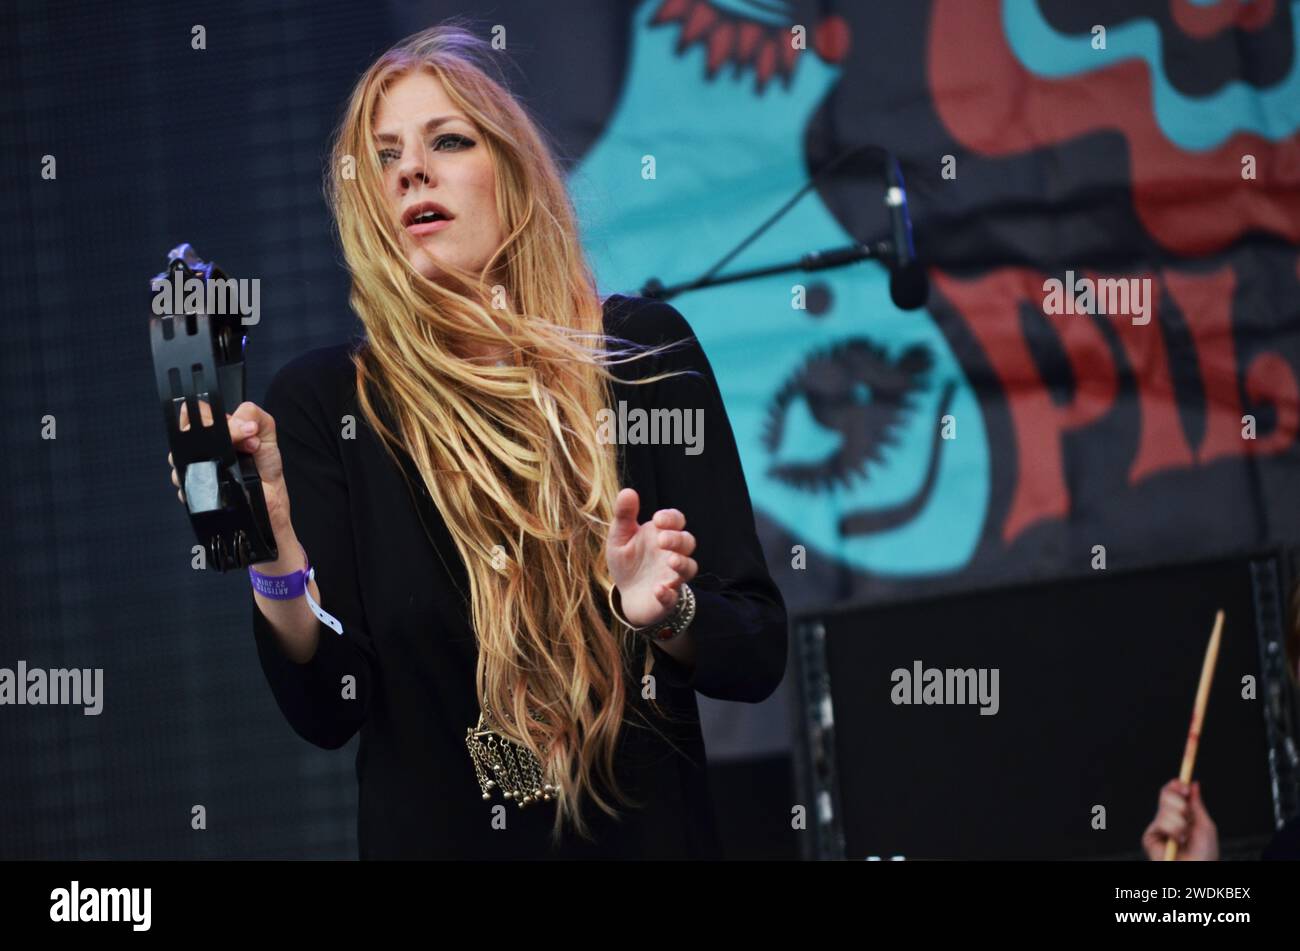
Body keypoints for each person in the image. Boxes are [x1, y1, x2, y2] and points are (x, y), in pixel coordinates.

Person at [165, 23, 787, 859]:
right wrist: (272, 550)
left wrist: (666, 609)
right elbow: (328, 707)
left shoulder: (640, 355)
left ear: (515, 178)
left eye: (447, 141)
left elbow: (754, 651)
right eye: (383, 158)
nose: (411, 170)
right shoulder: (327, 404)